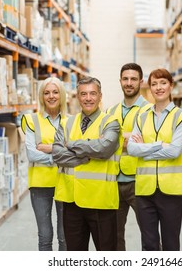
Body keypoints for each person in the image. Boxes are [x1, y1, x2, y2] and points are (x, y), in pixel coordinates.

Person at [127, 68, 182, 251]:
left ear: (171, 86)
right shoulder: (141, 117)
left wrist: (145, 150)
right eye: (154, 84)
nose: (158, 87)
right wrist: (159, 145)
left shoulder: (181, 117)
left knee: (171, 244)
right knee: (149, 244)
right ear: (149, 88)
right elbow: (132, 149)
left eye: (163, 83)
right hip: (145, 191)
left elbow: (174, 151)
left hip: (171, 191)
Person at [52, 76, 121, 251]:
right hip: (72, 201)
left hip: (101, 201)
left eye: (92, 94)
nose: (88, 98)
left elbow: (105, 149)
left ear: (100, 96)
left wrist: (73, 145)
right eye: (83, 94)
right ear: (77, 96)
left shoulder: (110, 122)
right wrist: (89, 153)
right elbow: (58, 155)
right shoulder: (66, 123)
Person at [106, 63, 152, 251]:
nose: (129, 83)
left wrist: (121, 139)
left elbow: (149, 142)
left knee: (149, 236)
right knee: (115, 238)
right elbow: (105, 142)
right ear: (120, 82)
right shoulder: (111, 111)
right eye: (125, 79)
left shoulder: (150, 111)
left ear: (141, 82)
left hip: (139, 182)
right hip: (115, 181)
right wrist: (128, 138)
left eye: (133, 79)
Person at [21, 77, 67, 251]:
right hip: (40, 184)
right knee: (45, 236)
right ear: (41, 96)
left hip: (64, 182)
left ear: (61, 95)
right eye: (47, 93)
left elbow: (74, 151)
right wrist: (59, 155)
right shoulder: (31, 119)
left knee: (65, 237)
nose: (51, 96)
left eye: (55, 92)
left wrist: (48, 149)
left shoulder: (70, 121)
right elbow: (31, 154)